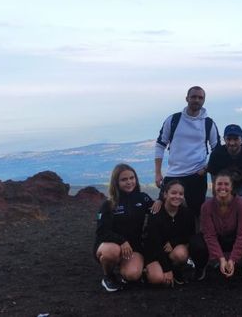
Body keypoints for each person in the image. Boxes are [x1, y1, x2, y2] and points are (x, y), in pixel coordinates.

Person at [154, 86, 220, 217]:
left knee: (196, 213)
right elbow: (160, 145)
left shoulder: (208, 123)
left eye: (200, 98)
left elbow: (217, 150)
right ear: (187, 99)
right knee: (164, 211)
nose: (197, 100)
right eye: (193, 97)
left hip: (197, 176)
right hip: (174, 174)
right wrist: (157, 172)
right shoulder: (173, 120)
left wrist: (206, 168)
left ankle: (193, 238)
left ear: (204, 100)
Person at [191, 171, 242, 282]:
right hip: (218, 238)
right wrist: (221, 259)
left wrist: (232, 260)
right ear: (214, 186)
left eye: (226, 184)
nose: (222, 187)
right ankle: (200, 268)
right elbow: (209, 235)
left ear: (231, 187)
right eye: (219, 184)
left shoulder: (241, 204)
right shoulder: (206, 206)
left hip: (234, 237)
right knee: (196, 243)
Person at [94, 163, 153, 292]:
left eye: (132, 178)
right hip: (111, 245)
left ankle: (125, 268)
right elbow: (101, 232)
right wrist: (121, 241)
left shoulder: (143, 198)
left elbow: (157, 212)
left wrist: (160, 200)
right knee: (112, 252)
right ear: (116, 182)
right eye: (124, 179)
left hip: (134, 246)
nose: (129, 182)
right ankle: (108, 276)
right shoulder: (109, 204)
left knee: (133, 275)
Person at [143, 180, 195, 286]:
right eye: (173, 193)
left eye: (181, 194)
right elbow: (154, 243)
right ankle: (146, 272)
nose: (177, 196)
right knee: (157, 279)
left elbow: (190, 235)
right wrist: (167, 270)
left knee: (181, 254)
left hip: (172, 251)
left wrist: (174, 242)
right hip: (155, 252)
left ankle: (176, 270)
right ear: (165, 194)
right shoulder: (155, 215)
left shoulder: (187, 213)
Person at [207, 124, 242, 218]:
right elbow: (215, 182)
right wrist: (218, 204)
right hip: (225, 187)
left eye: (236, 139)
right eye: (229, 139)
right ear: (224, 139)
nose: (232, 143)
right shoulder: (216, 155)